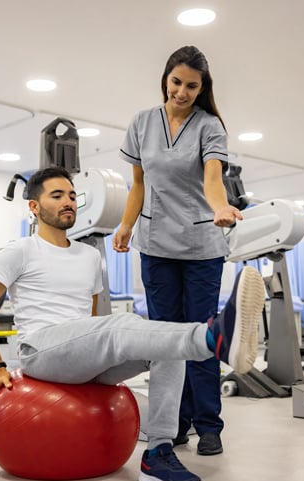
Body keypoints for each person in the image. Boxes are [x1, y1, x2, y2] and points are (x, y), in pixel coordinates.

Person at [0, 166, 263, 481]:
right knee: (126, 326)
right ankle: (213, 338)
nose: (69, 202)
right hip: (40, 352)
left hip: (79, 354)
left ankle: (159, 454)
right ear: (34, 206)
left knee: (166, 347)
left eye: (73, 196)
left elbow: (92, 318)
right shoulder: (18, 250)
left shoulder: (90, 256)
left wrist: (98, 343)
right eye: (57, 195)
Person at [114, 45, 243, 456]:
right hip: (155, 247)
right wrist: (126, 224)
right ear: (165, 78)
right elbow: (138, 184)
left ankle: (209, 425)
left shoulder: (210, 127)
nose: (181, 92)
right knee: (165, 340)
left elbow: (212, 178)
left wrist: (220, 206)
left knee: (199, 335)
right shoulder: (141, 122)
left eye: (191, 86)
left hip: (201, 246)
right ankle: (172, 424)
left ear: (202, 88)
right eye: (176, 82)